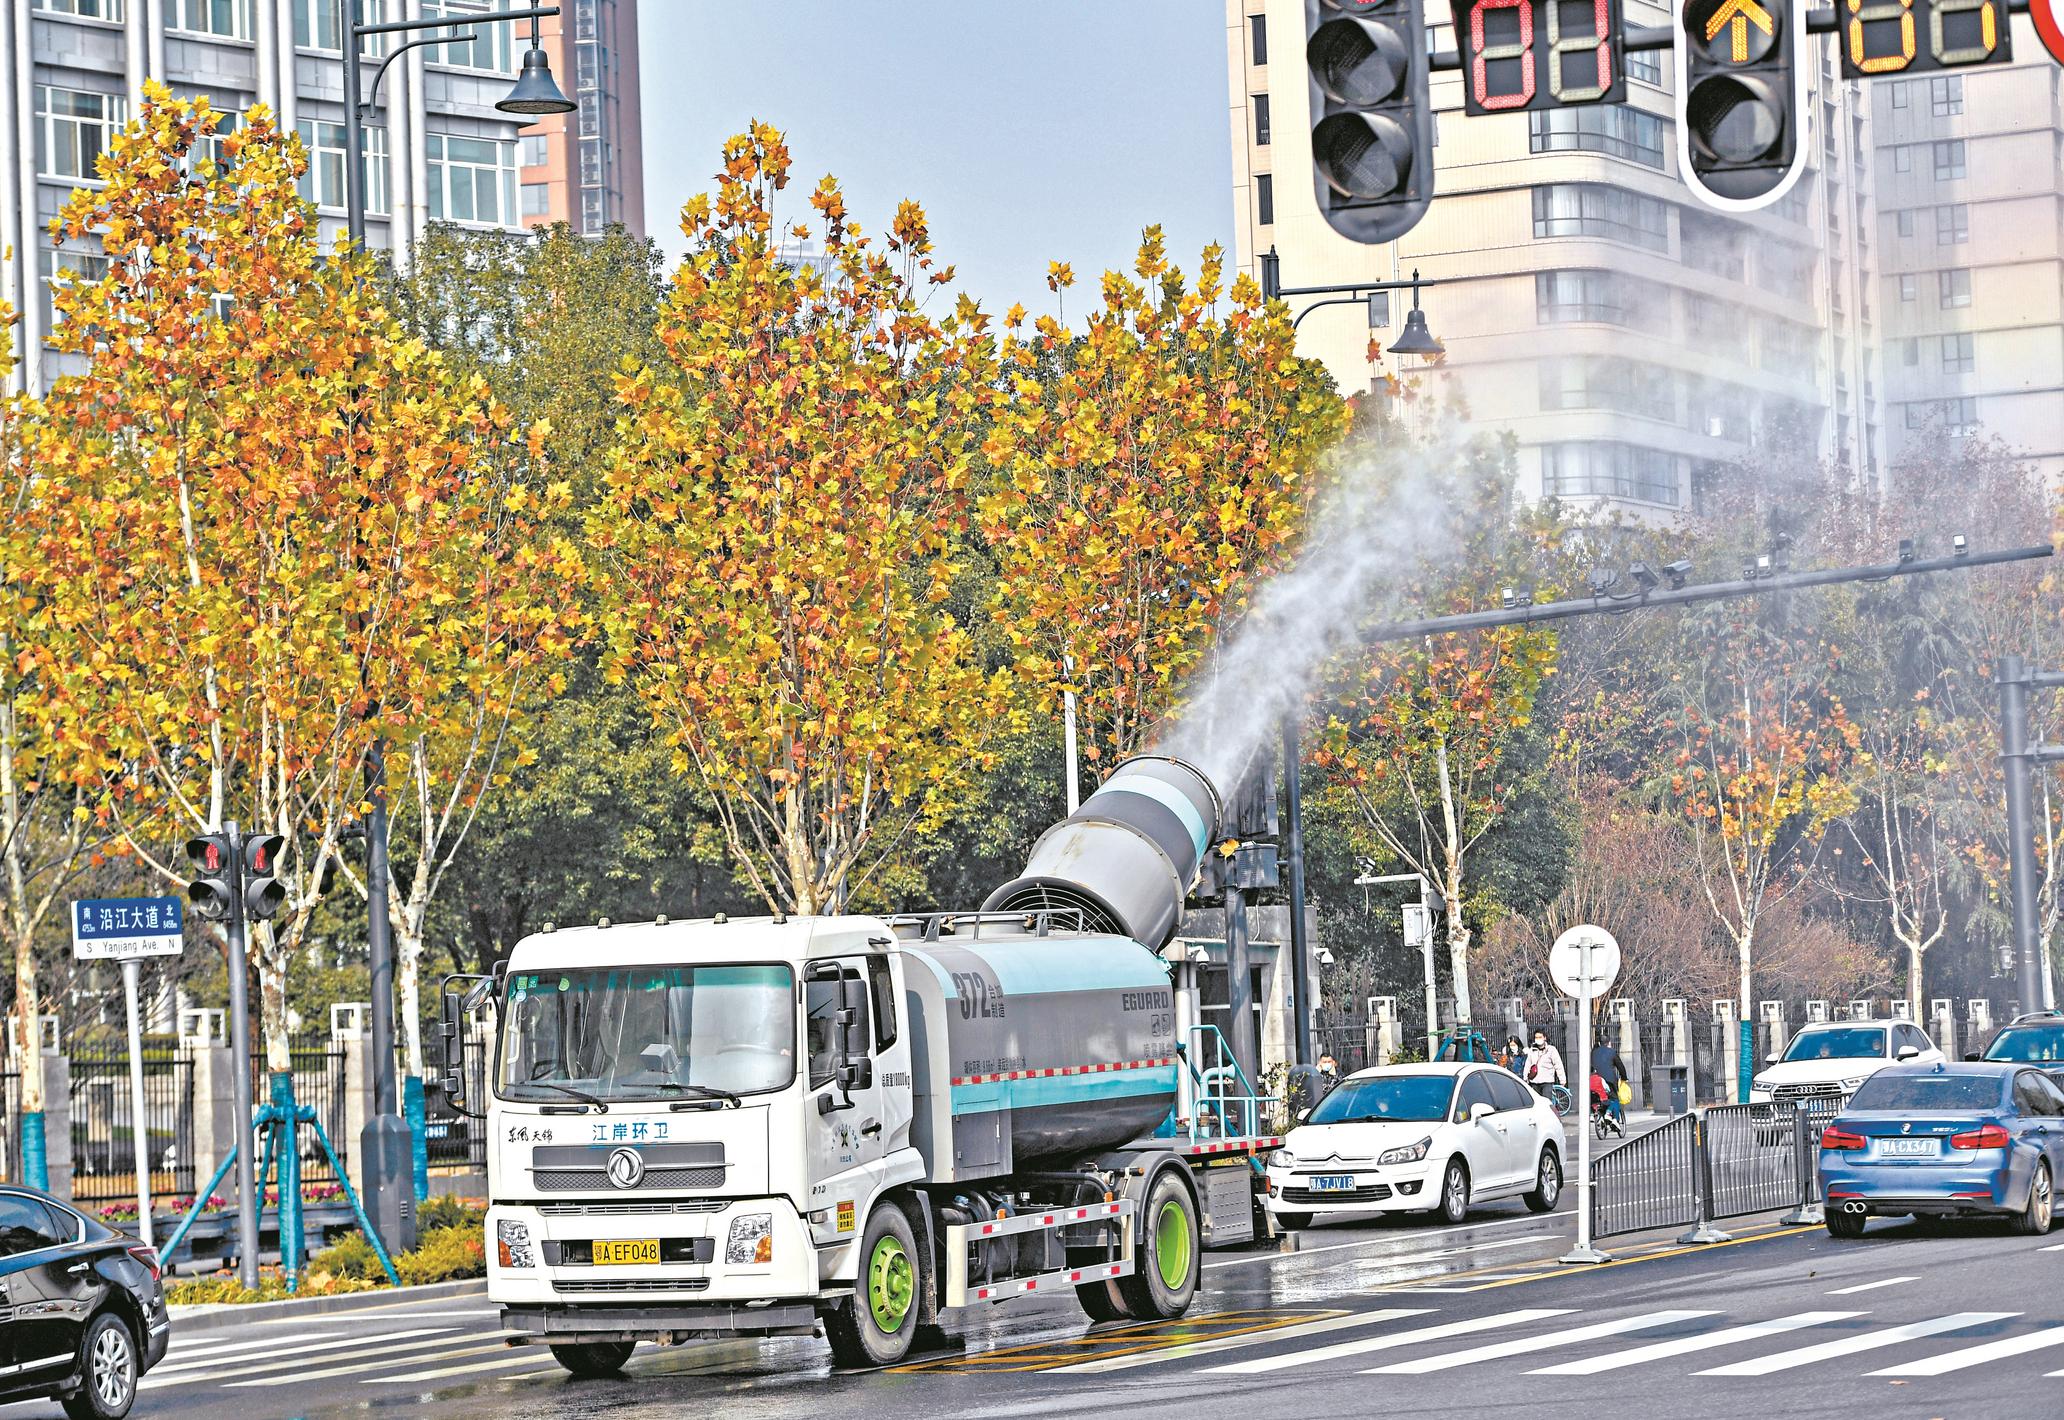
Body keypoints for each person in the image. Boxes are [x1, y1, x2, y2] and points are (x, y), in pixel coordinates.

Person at [1590, 1033, 1628, 1126]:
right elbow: (1620, 1066)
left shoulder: (1593, 1052)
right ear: (1608, 1042)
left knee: (1598, 1098)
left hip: (1594, 1079)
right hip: (1609, 1080)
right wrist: (1624, 1077)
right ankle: (1615, 1119)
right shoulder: (1612, 1052)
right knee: (1614, 1099)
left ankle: (1595, 1114)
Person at [1523, 1029, 1567, 1097]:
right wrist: (1525, 1077)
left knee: (1546, 1102)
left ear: (1544, 1038)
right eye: (1536, 1037)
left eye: (1540, 1037)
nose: (1538, 1039)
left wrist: (1562, 1079)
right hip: (1534, 1081)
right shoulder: (1532, 1050)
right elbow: (1528, 1064)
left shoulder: (1551, 1050)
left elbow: (1558, 1065)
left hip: (1547, 1081)